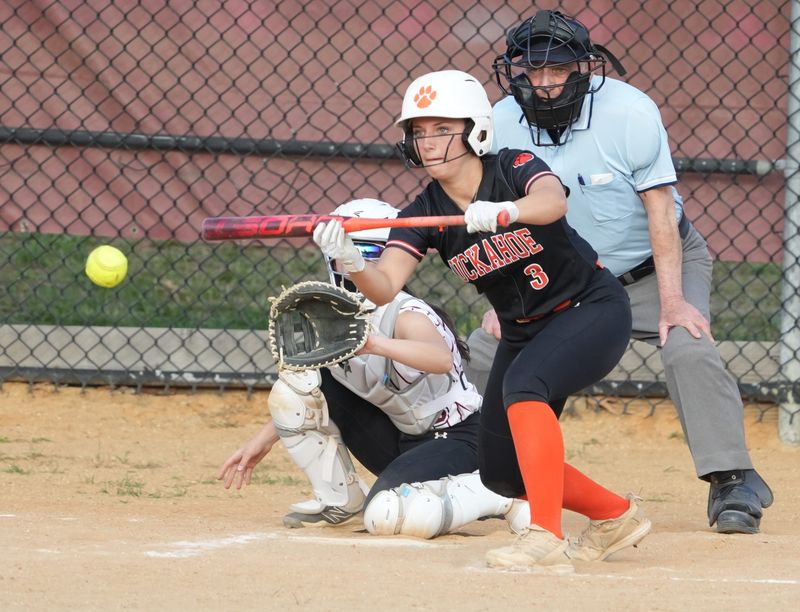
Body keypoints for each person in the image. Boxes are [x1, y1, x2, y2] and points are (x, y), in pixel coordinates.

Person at [312, 70, 651, 573]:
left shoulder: (513, 167)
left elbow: (552, 200)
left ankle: (545, 536)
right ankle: (613, 515)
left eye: (441, 129)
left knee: (525, 389)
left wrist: (507, 211)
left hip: (588, 310)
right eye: (419, 132)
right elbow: (386, 285)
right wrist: (355, 263)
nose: (427, 142)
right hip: (522, 330)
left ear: (475, 130)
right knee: (501, 470)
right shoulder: (425, 210)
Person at [469, 8, 774, 534]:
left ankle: (732, 478)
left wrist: (675, 301)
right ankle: (486, 474)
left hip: (650, 268)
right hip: (561, 275)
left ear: (583, 68)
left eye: (557, 69)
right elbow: (496, 215)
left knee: (687, 344)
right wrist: (502, 303)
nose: (543, 83)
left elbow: (660, 209)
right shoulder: (501, 120)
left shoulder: (630, 111)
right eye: (532, 70)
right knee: (487, 348)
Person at [218, 198, 530, 539]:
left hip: (460, 439)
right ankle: (340, 502)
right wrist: (260, 443)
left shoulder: (407, 312)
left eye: (366, 248)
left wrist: (373, 344)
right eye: (347, 247)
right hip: (401, 437)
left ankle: (497, 494)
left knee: (385, 514)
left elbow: (439, 358)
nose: (351, 259)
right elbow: (315, 387)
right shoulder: (336, 310)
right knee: (297, 385)